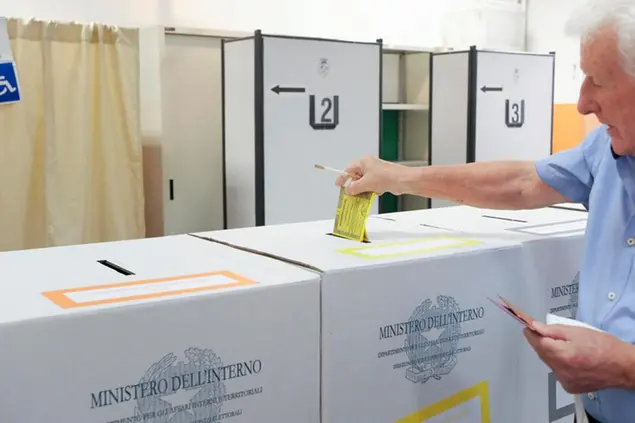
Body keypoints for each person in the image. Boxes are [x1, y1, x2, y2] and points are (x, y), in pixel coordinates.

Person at [335, 1, 635, 422]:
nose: (583, 103)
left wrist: (624, 365)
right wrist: (398, 178)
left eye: (597, 81)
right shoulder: (604, 151)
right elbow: (520, 182)